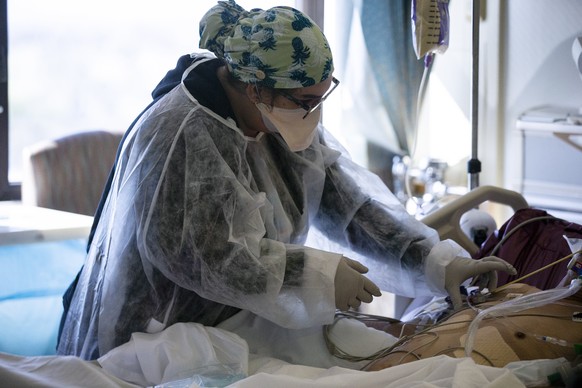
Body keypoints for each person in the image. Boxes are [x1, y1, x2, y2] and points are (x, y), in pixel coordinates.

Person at [57, 0, 516, 361]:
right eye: (304, 101)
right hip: (155, 342)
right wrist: (313, 272)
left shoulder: (278, 120)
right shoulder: (180, 134)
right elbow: (212, 259)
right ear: (254, 87)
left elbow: (353, 211)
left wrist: (435, 259)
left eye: (321, 97)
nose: (312, 114)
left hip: (240, 332)